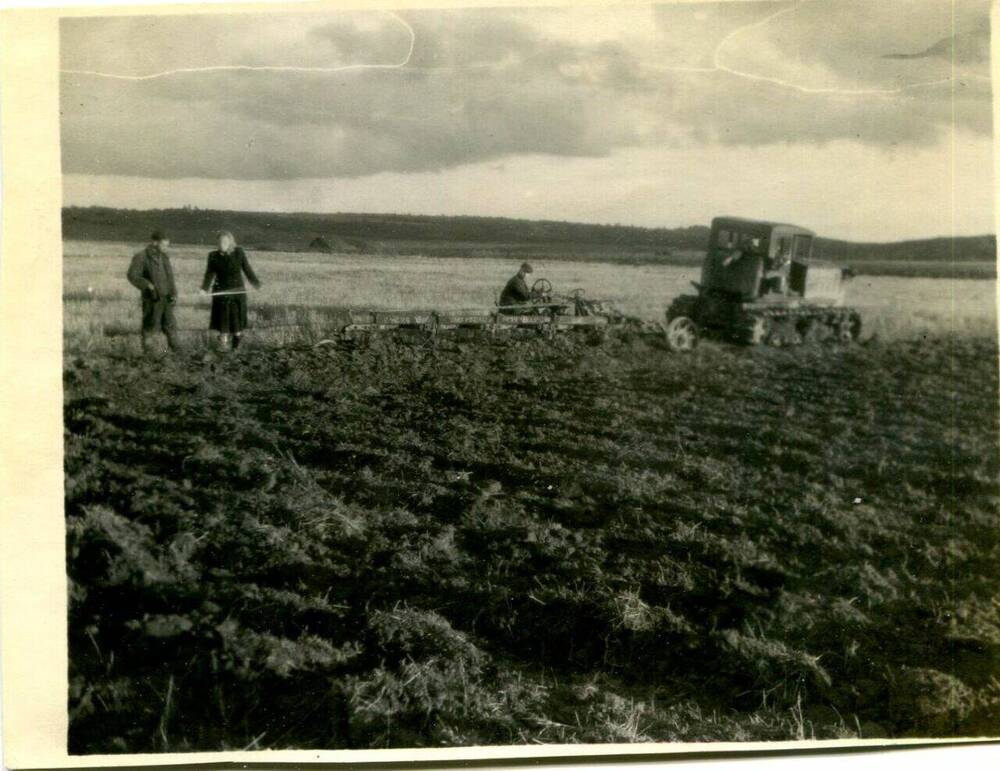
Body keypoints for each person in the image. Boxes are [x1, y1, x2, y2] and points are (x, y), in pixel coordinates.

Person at [200, 231, 261, 350]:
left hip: (237, 293)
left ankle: (236, 347)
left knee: (236, 324)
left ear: (230, 242)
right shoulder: (213, 256)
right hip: (221, 294)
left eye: (225, 242)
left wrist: (256, 285)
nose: (221, 244)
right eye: (219, 242)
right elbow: (209, 274)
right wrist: (204, 289)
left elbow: (247, 270)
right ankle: (223, 348)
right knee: (223, 324)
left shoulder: (239, 252)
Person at [126, 230, 180, 354]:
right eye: (164, 245)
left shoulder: (164, 257)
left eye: (167, 245)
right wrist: (147, 285)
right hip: (152, 300)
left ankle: (178, 356)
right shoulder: (142, 256)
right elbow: (132, 275)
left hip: (166, 299)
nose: (166, 248)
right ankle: (149, 357)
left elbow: (170, 278)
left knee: (171, 327)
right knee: (150, 328)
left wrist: (174, 293)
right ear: (155, 242)